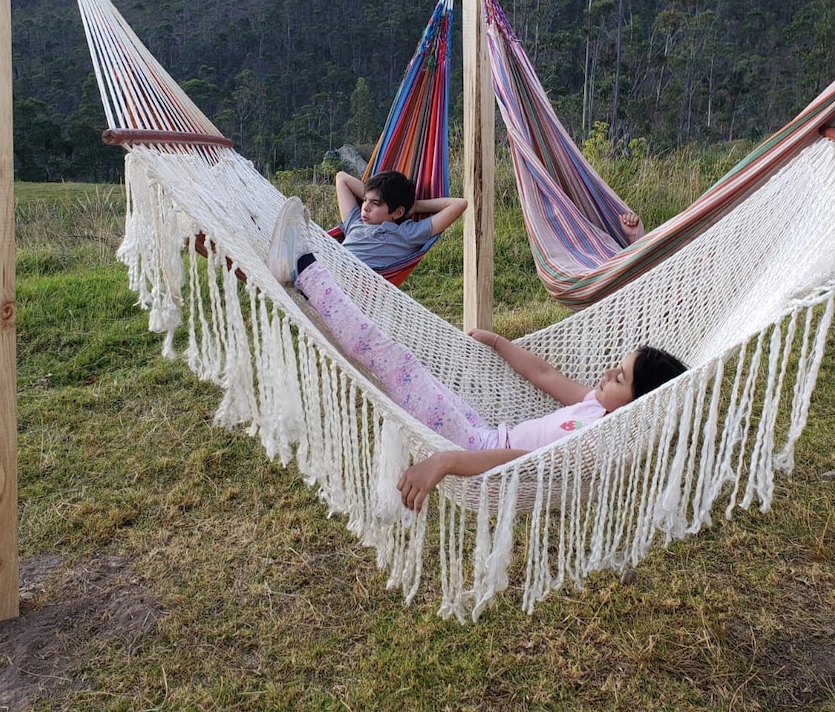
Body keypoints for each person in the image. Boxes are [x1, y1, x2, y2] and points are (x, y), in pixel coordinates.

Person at [268, 198, 687, 511]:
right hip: (479, 432)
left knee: (393, 359)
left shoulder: (597, 442)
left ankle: (304, 267)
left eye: (620, 377)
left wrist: (448, 461)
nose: (609, 371)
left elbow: (526, 463)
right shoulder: (595, 407)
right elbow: (544, 375)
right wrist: (501, 343)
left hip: (476, 460)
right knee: (394, 360)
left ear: (638, 404)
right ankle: (307, 282)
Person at [334, 170, 467, 272]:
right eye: (364, 200)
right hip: (330, 268)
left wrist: (415, 206)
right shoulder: (355, 222)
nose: (365, 208)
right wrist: (373, 195)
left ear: (398, 212)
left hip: (357, 282)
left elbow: (459, 204)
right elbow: (342, 178)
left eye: (375, 203)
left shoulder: (407, 233)